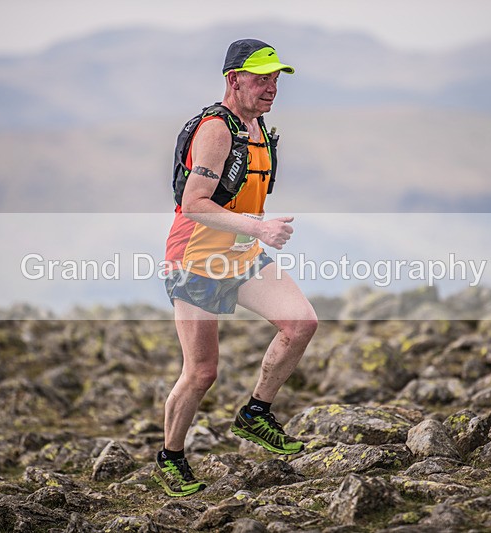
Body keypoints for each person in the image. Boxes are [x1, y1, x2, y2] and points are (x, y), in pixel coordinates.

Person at [154, 39, 318, 497]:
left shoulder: (259, 126)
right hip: (196, 260)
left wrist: (253, 233)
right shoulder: (216, 129)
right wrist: (259, 228)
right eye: (260, 78)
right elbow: (193, 204)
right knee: (202, 372)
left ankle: (255, 414)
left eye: (275, 79)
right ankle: (171, 457)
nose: (270, 88)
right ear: (233, 80)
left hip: (240, 254)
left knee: (301, 323)